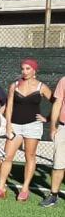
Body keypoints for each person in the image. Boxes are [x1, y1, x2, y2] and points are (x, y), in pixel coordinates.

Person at [0, 59, 52, 202]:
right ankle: (1, 188)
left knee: (30, 156)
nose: (24, 71)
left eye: (28, 68)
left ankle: (25, 189)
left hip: (33, 126)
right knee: (7, 156)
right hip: (15, 125)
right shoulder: (14, 85)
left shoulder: (41, 87)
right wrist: (8, 125)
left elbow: (57, 103)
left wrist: (48, 118)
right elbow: (10, 106)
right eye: (23, 69)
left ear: (34, 71)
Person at [41, 75, 65, 207]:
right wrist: (53, 127)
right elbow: (57, 103)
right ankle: (53, 196)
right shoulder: (64, 80)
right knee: (58, 164)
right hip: (63, 128)